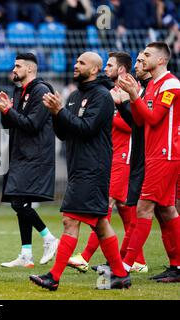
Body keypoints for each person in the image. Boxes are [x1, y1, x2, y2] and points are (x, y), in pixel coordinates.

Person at [30, 52, 131, 291]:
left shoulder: (102, 96)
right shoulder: (75, 96)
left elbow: (86, 129)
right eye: (75, 62)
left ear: (94, 69)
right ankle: (120, 275)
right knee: (100, 223)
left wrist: (60, 112)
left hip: (93, 168)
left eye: (81, 63)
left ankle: (54, 277)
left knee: (69, 220)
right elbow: (64, 133)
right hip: (79, 167)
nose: (76, 65)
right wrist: (56, 114)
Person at [68, 51, 147, 273]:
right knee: (125, 208)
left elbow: (134, 124)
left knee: (106, 203)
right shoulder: (106, 92)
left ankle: (84, 256)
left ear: (121, 69)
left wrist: (106, 114)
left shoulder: (130, 90)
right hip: (111, 154)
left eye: (110, 65)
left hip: (125, 155)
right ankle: (137, 260)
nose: (106, 69)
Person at [118, 41, 180, 283]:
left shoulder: (171, 84)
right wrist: (133, 98)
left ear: (162, 60)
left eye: (147, 55)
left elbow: (153, 118)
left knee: (144, 208)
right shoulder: (152, 84)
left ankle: (123, 266)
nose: (142, 58)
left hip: (166, 154)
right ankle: (176, 266)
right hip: (153, 155)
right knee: (166, 210)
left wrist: (134, 95)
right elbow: (141, 122)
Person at [0, 52, 59, 268]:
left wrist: (9, 110)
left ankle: (49, 238)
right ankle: (26, 254)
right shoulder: (19, 90)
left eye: (18, 66)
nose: (14, 69)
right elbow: (11, 125)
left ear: (30, 69)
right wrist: (6, 111)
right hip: (19, 153)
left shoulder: (41, 90)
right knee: (20, 202)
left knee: (18, 202)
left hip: (35, 156)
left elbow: (32, 125)